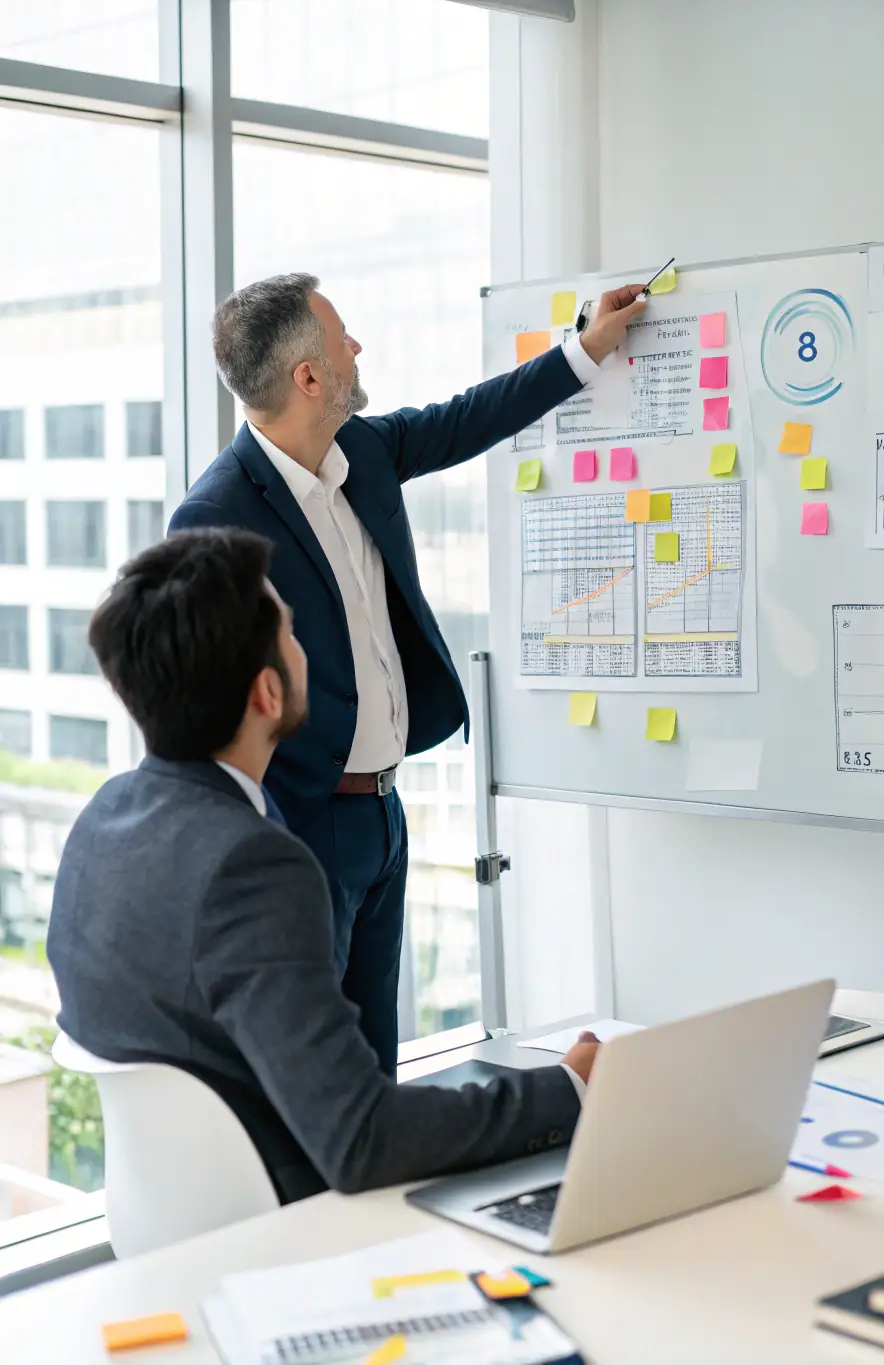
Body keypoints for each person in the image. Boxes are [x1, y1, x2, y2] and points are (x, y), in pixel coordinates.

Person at [168, 273, 645, 1076]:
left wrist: (585, 350)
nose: (357, 347)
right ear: (308, 377)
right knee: (316, 1074)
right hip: (303, 821)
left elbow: (467, 419)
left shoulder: (359, 450)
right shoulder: (216, 515)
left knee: (375, 1063)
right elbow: (200, 709)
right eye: (342, 338)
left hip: (384, 814)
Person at [46, 528, 599, 1202]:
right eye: (293, 632)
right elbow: (361, 1137)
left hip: (167, 1231)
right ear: (267, 694)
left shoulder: (101, 824)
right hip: (294, 1229)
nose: (306, 649)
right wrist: (568, 1089)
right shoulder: (252, 866)